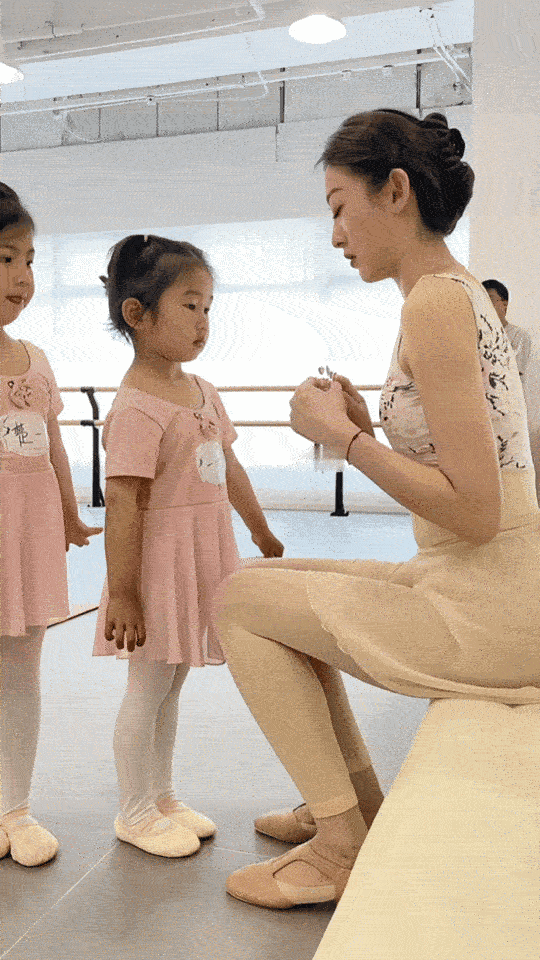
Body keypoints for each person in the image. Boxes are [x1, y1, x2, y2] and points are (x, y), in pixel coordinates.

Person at [212, 109, 540, 910]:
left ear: (395, 191)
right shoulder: (453, 293)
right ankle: (352, 807)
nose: (335, 236)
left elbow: (475, 512)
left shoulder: (432, 304)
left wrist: (346, 440)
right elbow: (471, 467)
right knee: (273, 583)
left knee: (241, 599)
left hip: (490, 602)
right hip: (483, 582)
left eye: (338, 208)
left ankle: (340, 844)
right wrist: (366, 426)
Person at [93, 234, 284, 857]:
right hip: (157, 566)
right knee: (148, 687)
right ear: (138, 314)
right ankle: (133, 810)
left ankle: (162, 795)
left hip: (201, 555)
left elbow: (230, 467)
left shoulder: (202, 390)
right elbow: (123, 504)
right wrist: (124, 592)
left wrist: (259, 529)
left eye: (208, 308)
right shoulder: (136, 407)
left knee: (172, 684)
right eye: (189, 306)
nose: (203, 322)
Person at [0, 183, 102, 867]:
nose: (23, 276)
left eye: (31, 260)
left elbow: (53, 443)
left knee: (22, 671)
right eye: (7, 258)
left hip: (29, 534)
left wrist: (68, 511)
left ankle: (16, 806)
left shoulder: (35, 359)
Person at [482, 279, 532, 377]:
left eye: (490, 299)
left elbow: (512, 373)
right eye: (481, 300)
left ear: (504, 304)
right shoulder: (475, 335)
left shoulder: (519, 335)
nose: (484, 305)